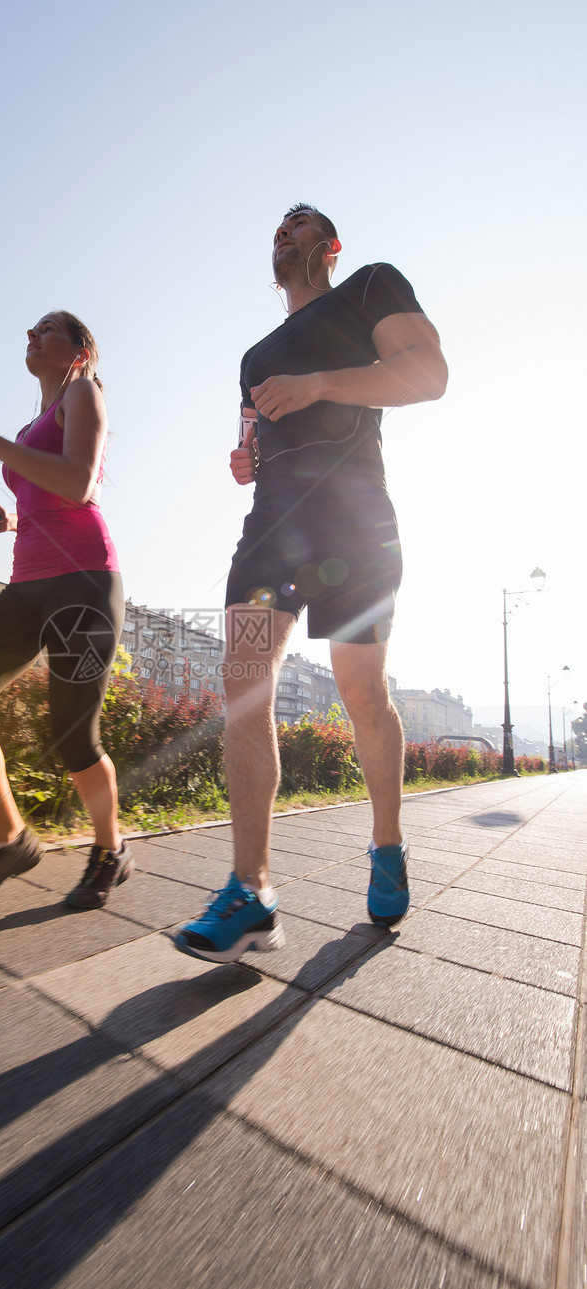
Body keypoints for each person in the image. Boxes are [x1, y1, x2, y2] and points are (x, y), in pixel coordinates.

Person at [175, 203, 448, 962]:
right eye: (275, 227)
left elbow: (429, 374)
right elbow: (251, 439)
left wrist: (320, 382)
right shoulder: (254, 354)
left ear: (329, 246)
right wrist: (245, 459)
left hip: (355, 526)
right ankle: (251, 889)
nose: (281, 232)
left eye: (298, 224)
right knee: (245, 678)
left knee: (362, 691)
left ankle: (387, 844)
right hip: (271, 532)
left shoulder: (369, 288)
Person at [0, 311, 133, 912]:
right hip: (28, 582)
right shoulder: (30, 423)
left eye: (48, 328)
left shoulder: (83, 392)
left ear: (79, 350)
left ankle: (110, 851)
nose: (32, 335)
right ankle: (9, 838)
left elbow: (78, 486)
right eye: (31, 329)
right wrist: (11, 516)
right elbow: (45, 496)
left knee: (74, 736)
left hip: (86, 581)